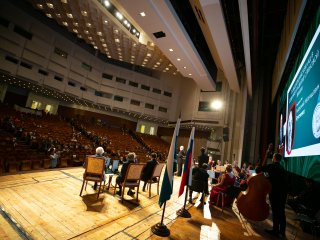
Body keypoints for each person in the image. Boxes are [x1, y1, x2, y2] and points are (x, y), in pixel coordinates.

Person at [262, 153, 287, 239]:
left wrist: (265, 156)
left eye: (272, 157)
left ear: (274, 158)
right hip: (283, 194)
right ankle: (282, 231)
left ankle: (275, 231)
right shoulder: (282, 168)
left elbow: (259, 169)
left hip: (275, 193)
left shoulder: (272, 166)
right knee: (282, 212)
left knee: (276, 212)